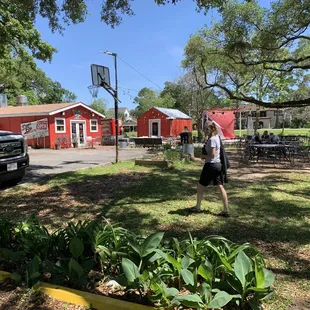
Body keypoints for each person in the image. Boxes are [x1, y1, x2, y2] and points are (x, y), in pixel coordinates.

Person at [189, 122, 229, 217]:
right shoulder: (216, 138)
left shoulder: (212, 140)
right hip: (217, 165)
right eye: (205, 129)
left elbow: (212, 155)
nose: (205, 130)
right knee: (220, 186)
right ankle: (226, 210)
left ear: (212, 129)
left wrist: (200, 156)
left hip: (211, 165)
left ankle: (198, 207)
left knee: (200, 185)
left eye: (207, 129)